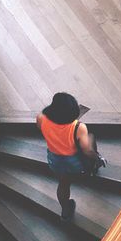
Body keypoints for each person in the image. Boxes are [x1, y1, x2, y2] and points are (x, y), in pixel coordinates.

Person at [36, 92, 99, 220]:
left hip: (54, 158)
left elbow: (40, 128)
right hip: (72, 160)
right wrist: (96, 157)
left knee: (63, 184)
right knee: (90, 138)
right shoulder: (79, 127)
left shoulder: (41, 117)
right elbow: (87, 150)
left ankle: (65, 209)